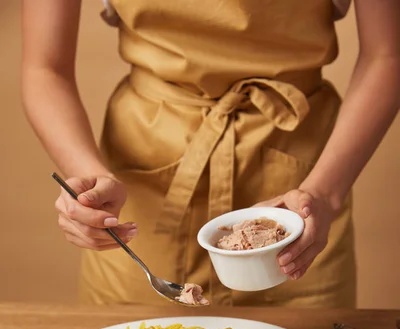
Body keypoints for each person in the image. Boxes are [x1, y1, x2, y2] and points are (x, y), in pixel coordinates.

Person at [21, 0, 400, 307]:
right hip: (146, 180)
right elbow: (44, 67)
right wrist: (87, 175)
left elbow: (387, 54)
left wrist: (323, 193)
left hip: (300, 184)